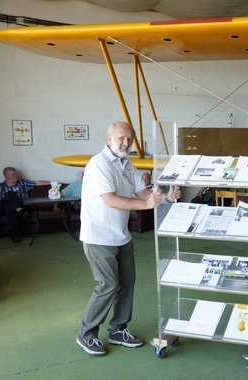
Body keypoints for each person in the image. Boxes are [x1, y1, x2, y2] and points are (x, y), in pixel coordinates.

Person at [76, 121, 180, 357]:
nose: (126, 142)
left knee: (127, 284)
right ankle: (86, 333)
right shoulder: (98, 163)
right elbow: (110, 199)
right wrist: (146, 204)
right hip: (99, 236)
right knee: (108, 285)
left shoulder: (127, 164)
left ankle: (118, 329)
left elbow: (142, 192)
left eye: (129, 139)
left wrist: (165, 197)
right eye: (122, 138)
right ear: (109, 138)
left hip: (121, 236)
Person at [0, 167, 49, 243]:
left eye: (16, 173)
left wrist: (53, 182)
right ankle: (20, 210)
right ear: (6, 176)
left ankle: (14, 236)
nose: (16, 175)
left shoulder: (23, 182)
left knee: (9, 207)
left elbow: (38, 183)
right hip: (1, 208)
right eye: (13, 174)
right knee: (10, 194)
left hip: (21, 206)